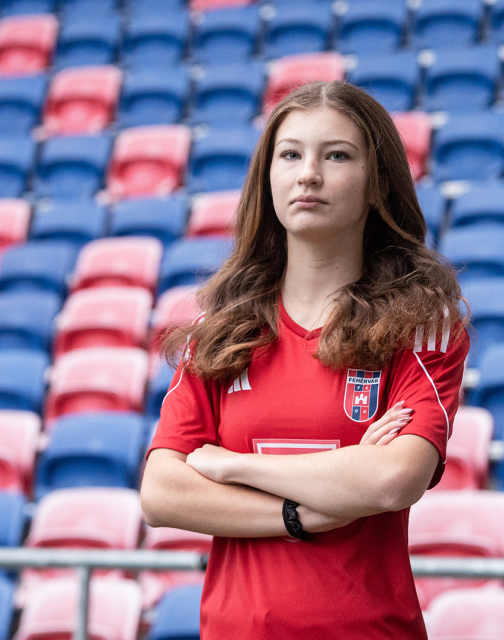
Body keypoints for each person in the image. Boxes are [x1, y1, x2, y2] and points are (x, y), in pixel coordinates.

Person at [140, 81, 469, 640]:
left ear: (376, 183)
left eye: (336, 156)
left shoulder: (421, 327)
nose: (308, 175)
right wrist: (307, 512)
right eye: (290, 155)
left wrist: (234, 466)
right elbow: (162, 493)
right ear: (267, 177)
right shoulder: (221, 332)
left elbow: (392, 480)